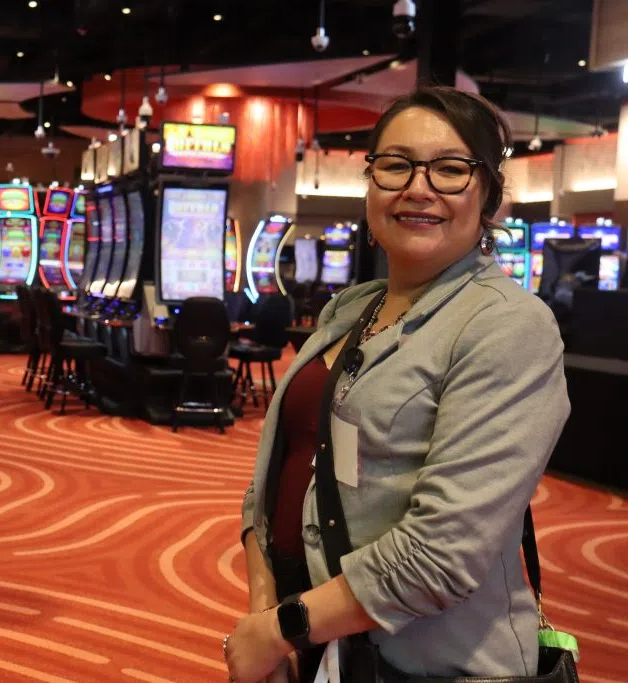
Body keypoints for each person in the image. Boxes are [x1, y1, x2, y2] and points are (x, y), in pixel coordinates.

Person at [224, 86, 571, 683]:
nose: (418, 187)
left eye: (450, 169)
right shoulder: (350, 307)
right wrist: (267, 614)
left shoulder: (508, 326)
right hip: (314, 642)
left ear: (488, 193)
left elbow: (442, 554)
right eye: (396, 165)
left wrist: (280, 629)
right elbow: (279, 468)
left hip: (423, 664)